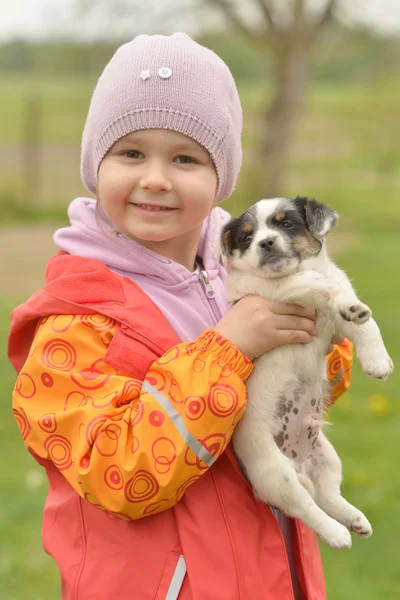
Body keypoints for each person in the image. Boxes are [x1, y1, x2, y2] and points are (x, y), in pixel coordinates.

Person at [8, 33, 352, 600]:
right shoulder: (75, 322)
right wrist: (228, 350)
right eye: (131, 153)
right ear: (97, 164)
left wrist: (321, 343)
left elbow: (313, 400)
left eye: (186, 158)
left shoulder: (246, 273)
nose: (156, 179)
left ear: (223, 177)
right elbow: (120, 472)